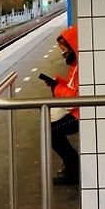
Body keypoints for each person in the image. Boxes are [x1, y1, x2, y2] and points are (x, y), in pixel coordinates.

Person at [42, 25, 79, 185]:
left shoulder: (79, 68)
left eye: (64, 49)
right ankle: (71, 166)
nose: (62, 53)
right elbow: (73, 88)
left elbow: (75, 97)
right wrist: (58, 82)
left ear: (73, 47)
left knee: (52, 132)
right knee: (51, 130)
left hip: (80, 114)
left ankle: (73, 169)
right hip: (78, 111)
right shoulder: (76, 65)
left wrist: (56, 88)